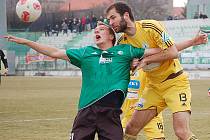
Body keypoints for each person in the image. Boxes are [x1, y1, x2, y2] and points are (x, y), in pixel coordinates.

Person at [4, 23, 166, 140]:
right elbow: (54, 52)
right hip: (86, 112)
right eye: (95, 30)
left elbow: (161, 49)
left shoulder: (125, 51)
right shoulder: (85, 53)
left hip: (111, 113)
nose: (97, 31)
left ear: (111, 36)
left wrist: (149, 56)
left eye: (101, 29)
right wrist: (27, 42)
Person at [105, 2, 208, 140]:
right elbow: (123, 69)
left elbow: (172, 52)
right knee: (130, 129)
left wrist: (146, 60)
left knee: (181, 132)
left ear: (126, 15)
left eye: (113, 18)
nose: (111, 22)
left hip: (175, 83)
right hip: (153, 88)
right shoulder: (122, 43)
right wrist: (131, 65)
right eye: (109, 20)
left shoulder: (150, 27)